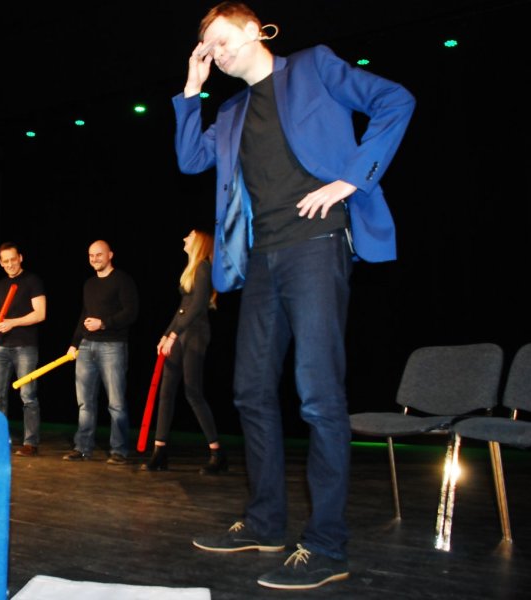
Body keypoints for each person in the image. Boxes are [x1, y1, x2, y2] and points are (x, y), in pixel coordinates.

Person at [174, 2, 415, 590]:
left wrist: (352, 178)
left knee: (317, 394)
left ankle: (328, 546)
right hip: (261, 258)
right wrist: (192, 88)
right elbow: (190, 159)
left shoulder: (313, 67)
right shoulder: (230, 110)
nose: (218, 54)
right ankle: (265, 522)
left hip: (316, 244)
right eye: (209, 48)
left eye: (223, 41)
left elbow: (396, 100)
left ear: (255, 30)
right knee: (250, 390)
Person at [142, 229, 226, 475]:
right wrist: (166, 334)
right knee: (166, 391)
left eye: (189, 236)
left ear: (199, 242)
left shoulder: (204, 267)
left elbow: (198, 306)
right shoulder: (191, 269)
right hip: (181, 333)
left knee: (193, 392)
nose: (184, 239)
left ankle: (217, 453)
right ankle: (159, 451)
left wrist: (174, 334)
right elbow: (182, 308)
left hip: (195, 334)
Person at [64, 240, 139, 465]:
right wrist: (74, 343)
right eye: (91, 255)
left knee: (116, 403)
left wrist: (104, 323)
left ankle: (119, 450)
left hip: (112, 347)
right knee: (85, 403)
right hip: (87, 346)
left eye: (99, 254)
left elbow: (131, 312)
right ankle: (82, 447)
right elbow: (84, 315)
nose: (94, 259)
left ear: (110, 255)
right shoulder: (89, 284)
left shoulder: (122, 280)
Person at [0, 242, 46, 457]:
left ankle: (30, 442)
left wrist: (12, 323)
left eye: (13, 259)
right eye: (5, 261)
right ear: (1, 263)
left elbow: (40, 313)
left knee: (28, 395)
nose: (10, 264)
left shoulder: (33, 281)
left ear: (20, 258)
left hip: (25, 347)